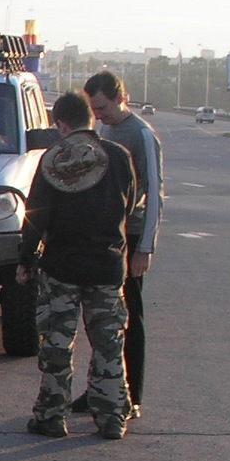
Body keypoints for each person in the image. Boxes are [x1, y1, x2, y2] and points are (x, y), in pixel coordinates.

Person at [16, 92, 137, 440]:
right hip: (107, 267)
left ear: (62, 125)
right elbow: (128, 205)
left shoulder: (53, 160)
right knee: (109, 343)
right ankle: (112, 416)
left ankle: (52, 415)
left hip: (62, 268)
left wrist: (26, 260)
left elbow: (36, 216)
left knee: (57, 343)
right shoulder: (119, 156)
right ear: (92, 119)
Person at [81, 70, 161, 417]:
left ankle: (132, 395)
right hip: (106, 234)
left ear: (118, 98)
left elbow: (155, 194)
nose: (98, 115)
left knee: (130, 317)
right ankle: (99, 389)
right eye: (94, 109)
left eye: (102, 107)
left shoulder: (141, 134)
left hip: (131, 236)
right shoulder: (104, 129)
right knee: (102, 315)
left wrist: (144, 247)